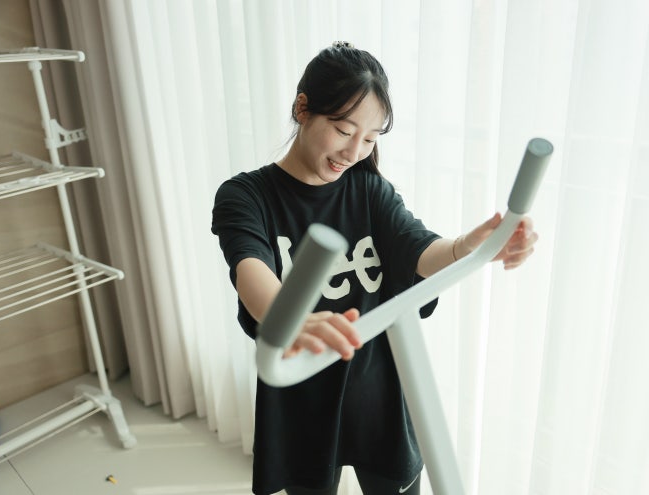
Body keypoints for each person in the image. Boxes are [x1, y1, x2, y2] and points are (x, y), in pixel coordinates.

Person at [211, 41, 537, 495]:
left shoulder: (368, 190)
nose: (354, 151)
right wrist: (291, 320)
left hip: (379, 388)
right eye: (343, 130)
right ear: (302, 108)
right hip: (302, 395)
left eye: (369, 139)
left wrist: (470, 247)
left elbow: (417, 248)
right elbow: (250, 269)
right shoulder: (246, 196)